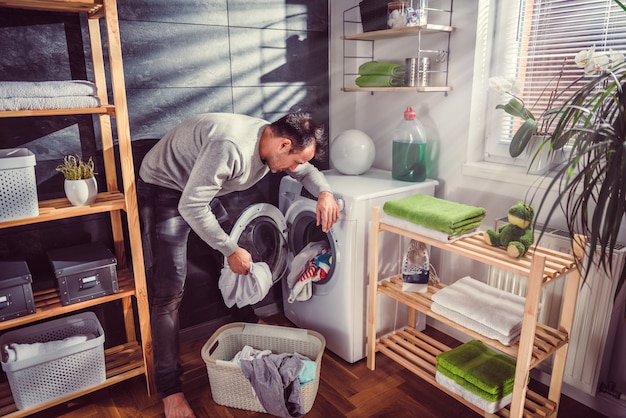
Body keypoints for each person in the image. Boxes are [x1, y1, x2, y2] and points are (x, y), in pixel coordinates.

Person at [137, 112, 339, 418]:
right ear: (284, 144)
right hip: (165, 186)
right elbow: (190, 205)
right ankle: (170, 390)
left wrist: (325, 192)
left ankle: (245, 318)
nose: (295, 169)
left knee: (232, 253)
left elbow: (307, 171)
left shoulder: (273, 144)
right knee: (169, 290)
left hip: (199, 187)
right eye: (294, 160)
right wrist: (229, 249)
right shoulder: (231, 146)